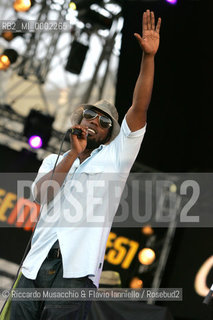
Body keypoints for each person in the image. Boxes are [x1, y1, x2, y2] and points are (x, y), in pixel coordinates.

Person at [10, 9, 161, 320]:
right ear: (78, 121)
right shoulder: (55, 159)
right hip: (35, 265)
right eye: (90, 116)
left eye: (104, 121)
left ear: (109, 133)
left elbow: (139, 107)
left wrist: (148, 59)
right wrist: (71, 155)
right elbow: (41, 195)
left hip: (75, 272)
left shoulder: (116, 157)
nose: (96, 121)